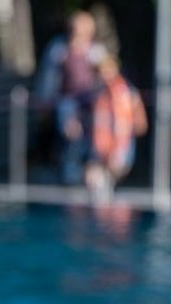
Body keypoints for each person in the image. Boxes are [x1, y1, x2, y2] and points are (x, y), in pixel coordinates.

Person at [34, 11, 106, 186]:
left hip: (91, 103)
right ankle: (70, 177)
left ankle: (93, 171)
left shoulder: (96, 52)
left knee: (96, 135)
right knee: (70, 134)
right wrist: (43, 103)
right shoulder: (58, 49)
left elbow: (106, 78)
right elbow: (47, 80)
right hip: (66, 102)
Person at [86, 56, 148, 199]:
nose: (105, 75)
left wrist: (122, 132)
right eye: (101, 72)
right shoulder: (97, 93)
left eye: (107, 71)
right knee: (92, 178)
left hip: (121, 146)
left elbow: (140, 125)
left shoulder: (128, 93)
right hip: (100, 145)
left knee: (110, 174)